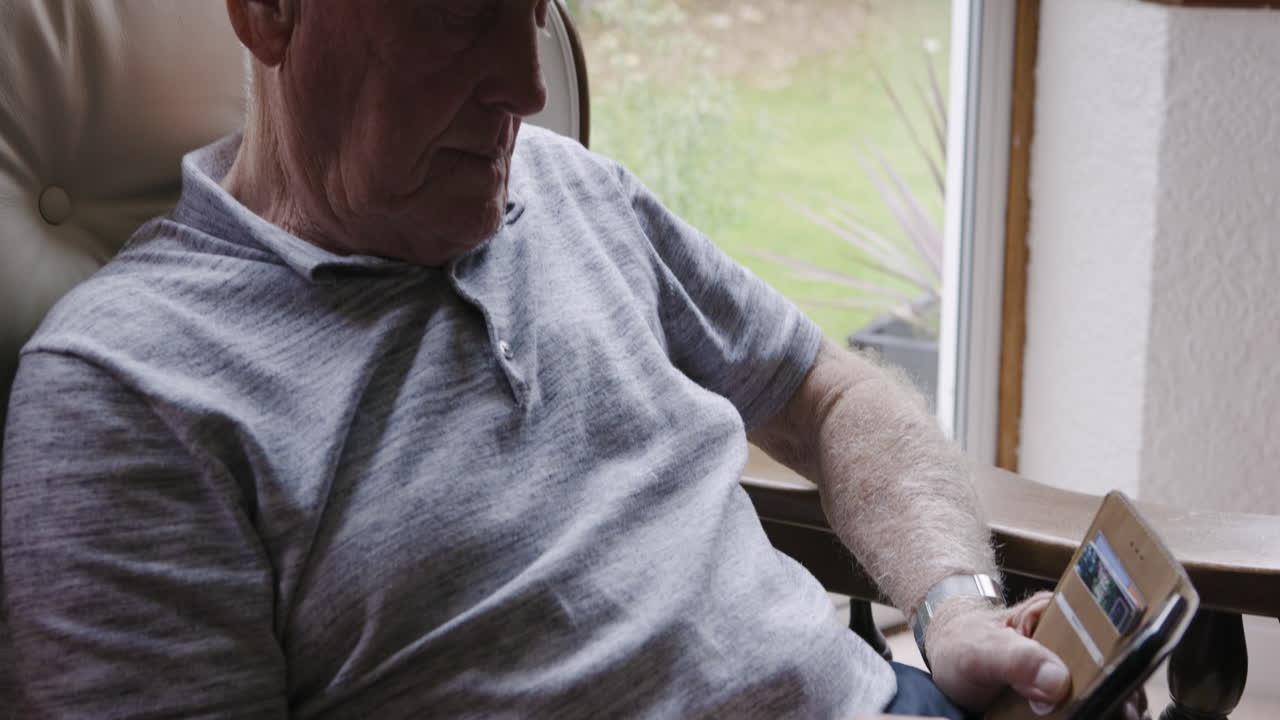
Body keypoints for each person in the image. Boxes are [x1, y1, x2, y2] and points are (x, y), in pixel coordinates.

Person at [1, 1, 1131, 718]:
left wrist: (956, 607)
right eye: (459, 16)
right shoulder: (131, 390)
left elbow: (829, 394)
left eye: (534, 9)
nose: (529, 89)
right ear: (269, 13)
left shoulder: (569, 188)